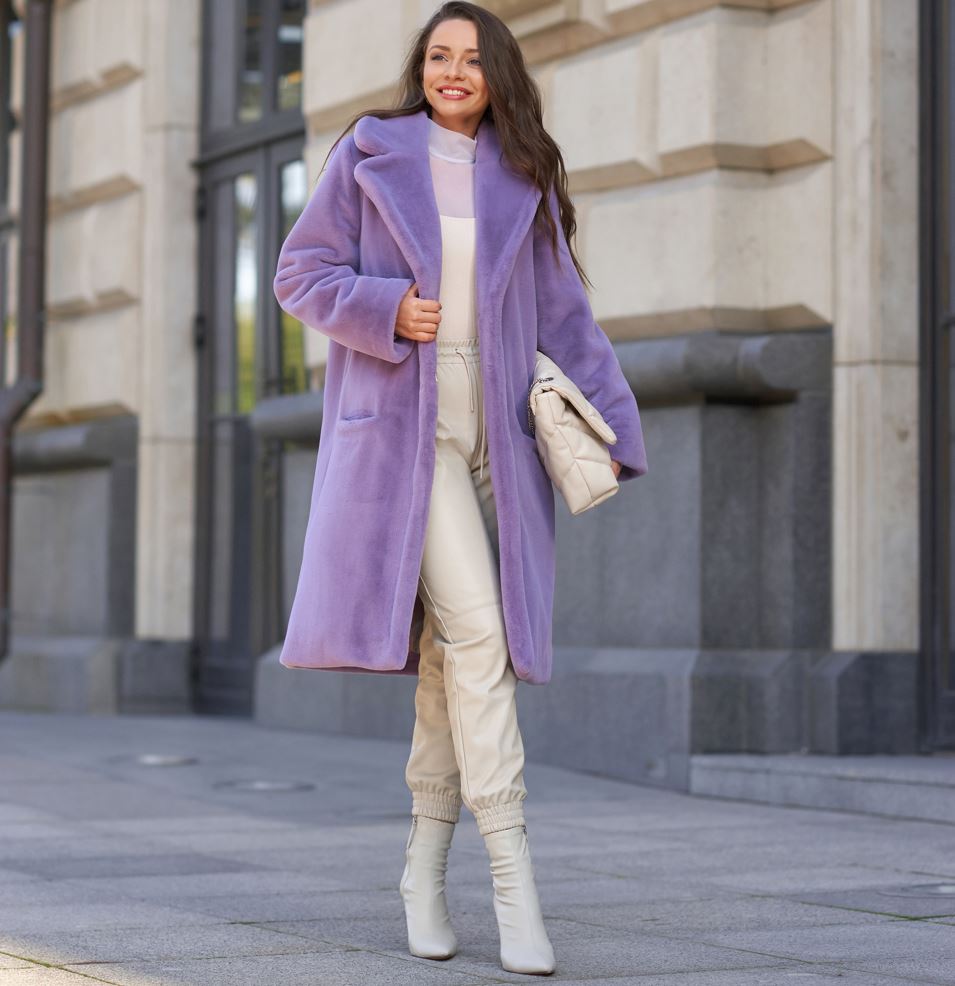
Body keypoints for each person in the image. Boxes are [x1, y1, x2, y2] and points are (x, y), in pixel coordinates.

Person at [272, 1, 648, 976]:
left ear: (497, 75)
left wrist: (618, 425)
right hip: (406, 438)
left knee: (452, 656)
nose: (450, 71)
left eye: (470, 59)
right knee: (482, 633)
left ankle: (422, 867)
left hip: (502, 437)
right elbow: (299, 272)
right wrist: (386, 304)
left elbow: (566, 316)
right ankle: (515, 880)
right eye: (436, 55)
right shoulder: (370, 150)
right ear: (420, 67)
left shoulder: (520, 173)